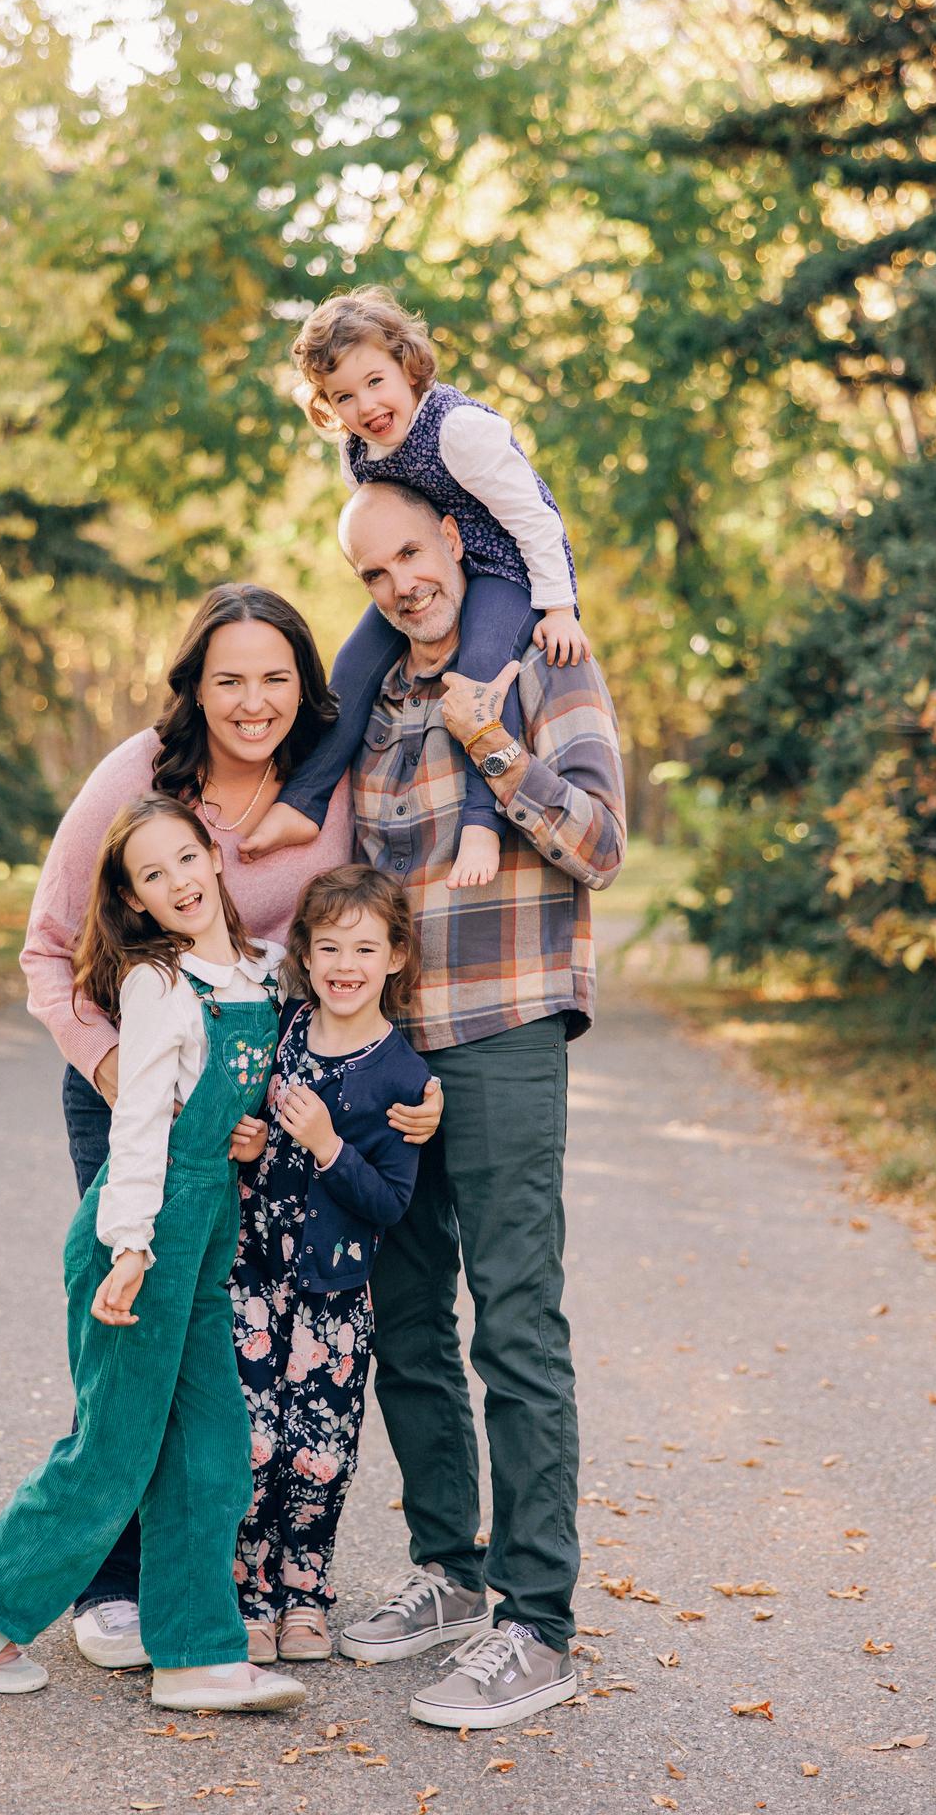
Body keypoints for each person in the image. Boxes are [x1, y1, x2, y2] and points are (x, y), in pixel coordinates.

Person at [20, 583, 443, 1670]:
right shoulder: (138, 780)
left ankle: (212, 1580)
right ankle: (109, 1583)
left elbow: (361, 942)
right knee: (140, 1324)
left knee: (230, 1355)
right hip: (139, 1087)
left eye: (273, 677)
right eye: (227, 679)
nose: (252, 701)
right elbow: (48, 948)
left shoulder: (330, 787)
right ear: (193, 687)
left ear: (305, 686)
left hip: (272, 1102)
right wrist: (122, 1074)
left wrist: (404, 1080)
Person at [330, 480, 627, 1732]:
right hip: (393, 1044)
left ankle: (538, 1622)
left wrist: (490, 744)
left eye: (414, 551)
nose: (402, 581)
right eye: (373, 571)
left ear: (457, 538)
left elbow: (599, 841)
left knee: (511, 1317)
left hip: (504, 1024)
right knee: (406, 1315)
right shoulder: (378, 696)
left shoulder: (549, 662)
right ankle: (450, 1571)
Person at [0, 795, 305, 1713]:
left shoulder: (258, 971)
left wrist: (241, 1138)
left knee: (212, 1449)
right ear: (134, 900)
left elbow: (217, 1105)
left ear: (215, 860)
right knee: (115, 1449)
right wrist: (129, 1249)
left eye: (185, 860)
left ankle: (195, 1653)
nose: (176, 882)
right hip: (137, 1239)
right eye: (152, 875)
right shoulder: (157, 985)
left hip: (204, 1239)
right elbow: (137, 1126)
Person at [243, 287, 591, 889]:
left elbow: (536, 517)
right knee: (351, 665)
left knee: (480, 667)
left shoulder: (459, 429)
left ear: (407, 364)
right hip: (431, 571)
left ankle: (483, 819)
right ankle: (303, 802)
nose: (366, 405)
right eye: (343, 396)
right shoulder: (359, 456)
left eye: (376, 381)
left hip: (506, 568)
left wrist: (559, 608)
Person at [231, 865, 430, 1663]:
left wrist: (326, 1147)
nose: (345, 963)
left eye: (364, 947)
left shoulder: (400, 1075)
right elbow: (249, 1135)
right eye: (328, 947)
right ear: (305, 957)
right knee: (250, 1440)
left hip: (333, 1297)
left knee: (319, 1449)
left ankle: (305, 1595)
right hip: (252, 1277)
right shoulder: (283, 1031)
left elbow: (389, 1201)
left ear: (393, 958)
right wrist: (248, 1147)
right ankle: (247, 1594)